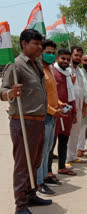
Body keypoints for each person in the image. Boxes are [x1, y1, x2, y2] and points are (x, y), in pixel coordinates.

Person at [0, 29, 52, 214]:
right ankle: (20, 206)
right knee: (23, 164)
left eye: (41, 44)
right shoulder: (16, 65)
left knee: (35, 162)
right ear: (24, 44)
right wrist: (10, 94)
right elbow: (2, 91)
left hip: (38, 121)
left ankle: (31, 195)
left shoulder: (36, 65)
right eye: (36, 44)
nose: (40, 47)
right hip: (23, 122)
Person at [37, 40, 67, 196]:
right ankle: (39, 182)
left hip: (53, 115)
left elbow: (52, 93)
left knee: (48, 149)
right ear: (41, 51)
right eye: (47, 52)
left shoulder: (49, 69)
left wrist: (60, 104)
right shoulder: (38, 70)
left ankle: (44, 177)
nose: (50, 55)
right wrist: (52, 110)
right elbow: (39, 97)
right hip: (44, 115)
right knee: (41, 151)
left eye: (52, 53)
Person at [52, 49, 78, 176]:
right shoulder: (52, 72)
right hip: (54, 114)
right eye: (63, 58)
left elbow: (71, 95)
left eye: (68, 59)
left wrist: (74, 113)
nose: (66, 61)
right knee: (50, 144)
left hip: (67, 114)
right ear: (57, 58)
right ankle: (47, 172)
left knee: (64, 142)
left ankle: (62, 167)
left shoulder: (68, 74)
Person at [66, 46, 87, 165]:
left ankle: (72, 155)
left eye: (80, 56)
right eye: (76, 55)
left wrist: (83, 105)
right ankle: (66, 158)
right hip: (69, 106)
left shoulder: (78, 70)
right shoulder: (66, 69)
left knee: (76, 132)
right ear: (71, 56)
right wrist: (71, 82)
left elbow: (81, 90)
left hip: (79, 106)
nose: (78, 58)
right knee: (67, 133)